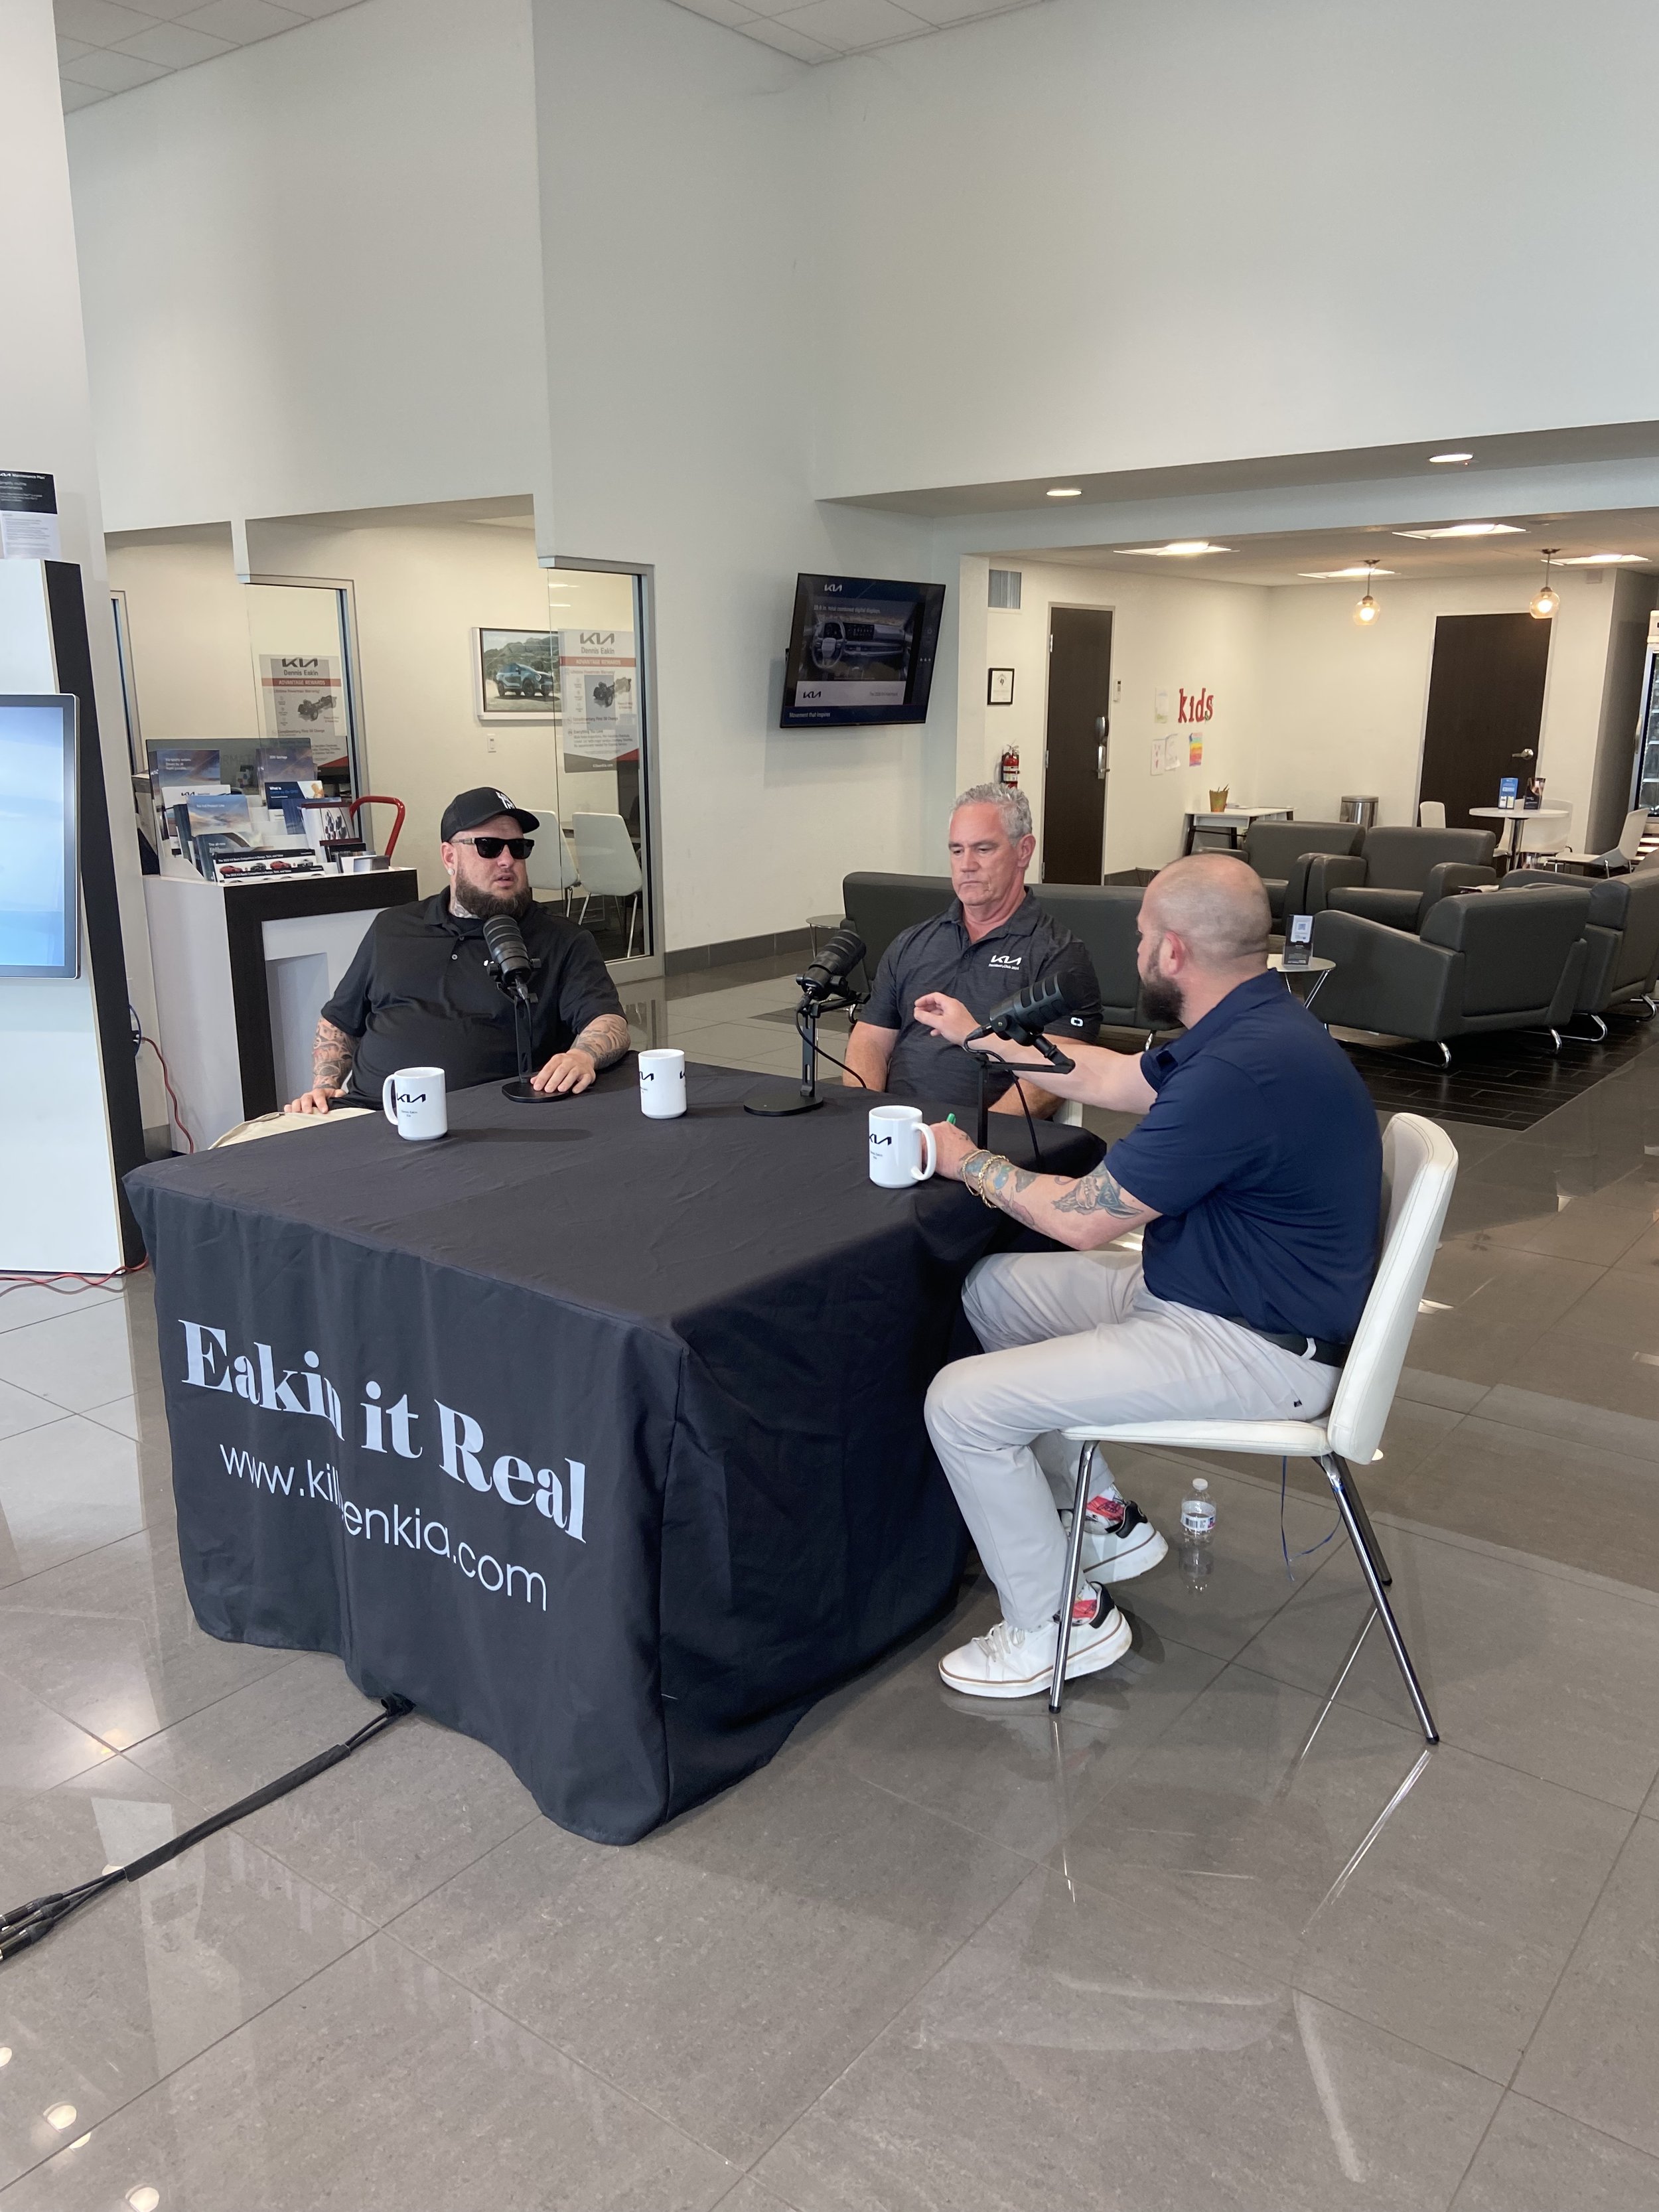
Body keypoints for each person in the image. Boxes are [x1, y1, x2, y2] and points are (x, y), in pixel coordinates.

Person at [913, 853, 1382, 1699]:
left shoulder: (1238, 1073)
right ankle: (1099, 1517)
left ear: (1172, 952)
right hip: (1216, 1292)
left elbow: (1081, 1218)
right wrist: (979, 1035)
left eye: (1140, 937)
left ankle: (1058, 1628)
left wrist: (967, 1162)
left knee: (960, 1403)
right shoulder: (1254, 1021)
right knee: (992, 1291)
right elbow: (1110, 1076)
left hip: (1253, 1346)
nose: (1134, 953)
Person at [285, 788, 631, 1112]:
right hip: (366, 1111)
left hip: (485, 1121)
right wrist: (324, 1086)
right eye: (488, 847)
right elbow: (339, 1021)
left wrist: (582, 1056)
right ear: (449, 856)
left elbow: (607, 1020)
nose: (507, 860)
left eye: (518, 848)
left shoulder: (561, 939)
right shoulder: (392, 927)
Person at [843, 784, 1102, 1118]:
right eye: (957, 850)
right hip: (899, 1128)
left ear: (1024, 851)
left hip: (992, 1135)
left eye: (983, 849)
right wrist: (871, 1116)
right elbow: (870, 1039)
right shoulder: (912, 943)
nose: (966, 865)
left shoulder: (1059, 955)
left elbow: (1059, 1071)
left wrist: (977, 1137)